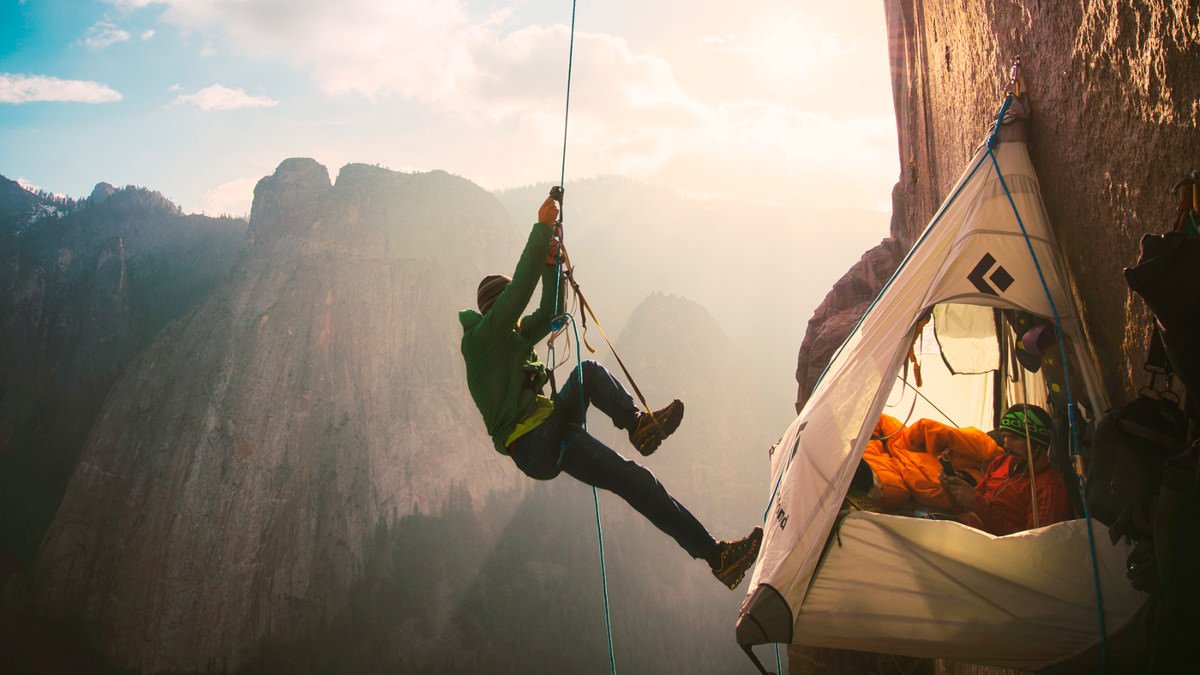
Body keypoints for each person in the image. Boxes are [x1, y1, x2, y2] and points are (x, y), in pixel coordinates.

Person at [458, 194, 762, 589]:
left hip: (548, 426)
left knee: (588, 372)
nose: (517, 323)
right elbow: (517, 296)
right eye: (508, 315)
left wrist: (551, 266)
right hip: (537, 444)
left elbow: (550, 314)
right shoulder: (482, 343)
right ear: (494, 313)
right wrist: (541, 230)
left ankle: (637, 425)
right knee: (635, 481)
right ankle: (716, 556)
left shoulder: (511, 339)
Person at [940, 403, 1073, 535]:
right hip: (967, 529)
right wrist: (953, 490)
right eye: (1004, 436)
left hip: (994, 547)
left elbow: (1032, 545)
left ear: (1037, 443)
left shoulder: (1048, 487)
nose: (1006, 445)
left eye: (1014, 438)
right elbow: (966, 507)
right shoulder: (1001, 463)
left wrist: (976, 502)